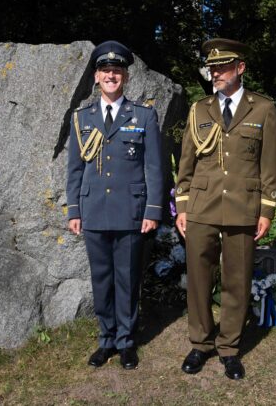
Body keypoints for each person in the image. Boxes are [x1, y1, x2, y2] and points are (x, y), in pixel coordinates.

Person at [175, 38, 276, 380]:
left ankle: (230, 347)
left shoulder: (262, 108)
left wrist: (266, 211)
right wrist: (183, 206)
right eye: (212, 68)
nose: (215, 73)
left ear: (240, 68)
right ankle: (200, 343)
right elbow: (187, 164)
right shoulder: (199, 109)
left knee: (238, 278)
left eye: (222, 67)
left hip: (242, 206)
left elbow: (269, 167)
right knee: (199, 278)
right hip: (202, 205)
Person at [66, 40, 164, 369]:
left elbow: (154, 168)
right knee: (101, 279)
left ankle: (126, 341)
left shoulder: (144, 116)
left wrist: (152, 211)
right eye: (106, 71)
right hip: (93, 212)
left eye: (117, 71)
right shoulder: (81, 118)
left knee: (127, 279)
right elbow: (75, 169)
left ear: (126, 77)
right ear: (96, 77)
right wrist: (74, 210)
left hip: (131, 213)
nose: (111, 75)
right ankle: (105, 339)